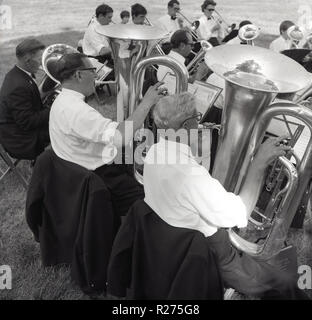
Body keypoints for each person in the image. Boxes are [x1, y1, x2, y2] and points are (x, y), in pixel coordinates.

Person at [143, 92, 309, 300]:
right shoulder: (190, 175)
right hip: (210, 252)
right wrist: (259, 163)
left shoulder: (153, 151)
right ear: (187, 126)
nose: (200, 120)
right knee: (283, 285)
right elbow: (239, 213)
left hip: (170, 235)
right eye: (197, 117)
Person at [49, 52, 165, 218]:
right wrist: (146, 103)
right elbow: (121, 138)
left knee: (135, 160)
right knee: (152, 198)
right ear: (78, 75)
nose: (96, 76)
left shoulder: (62, 100)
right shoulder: (77, 111)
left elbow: (95, 130)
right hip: (99, 179)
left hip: (83, 168)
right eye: (92, 71)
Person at [0, 38, 50, 160]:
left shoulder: (18, 74)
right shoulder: (18, 85)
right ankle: (47, 165)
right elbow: (28, 122)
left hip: (21, 131)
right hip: (22, 141)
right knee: (65, 130)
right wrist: (53, 108)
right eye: (39, 59)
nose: (41, 63)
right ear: (28, 60)